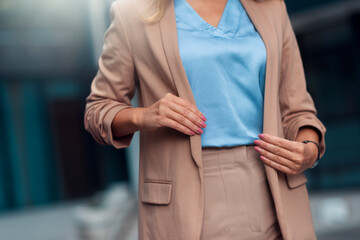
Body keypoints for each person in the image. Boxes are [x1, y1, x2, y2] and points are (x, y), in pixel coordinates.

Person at [84, 0, 327, 239]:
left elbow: (298, 109)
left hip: (274, 185)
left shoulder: (271, 7)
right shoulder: (132, 11)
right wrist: (146, 115)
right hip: (185, 199)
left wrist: (309, 150)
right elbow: (98, 110)